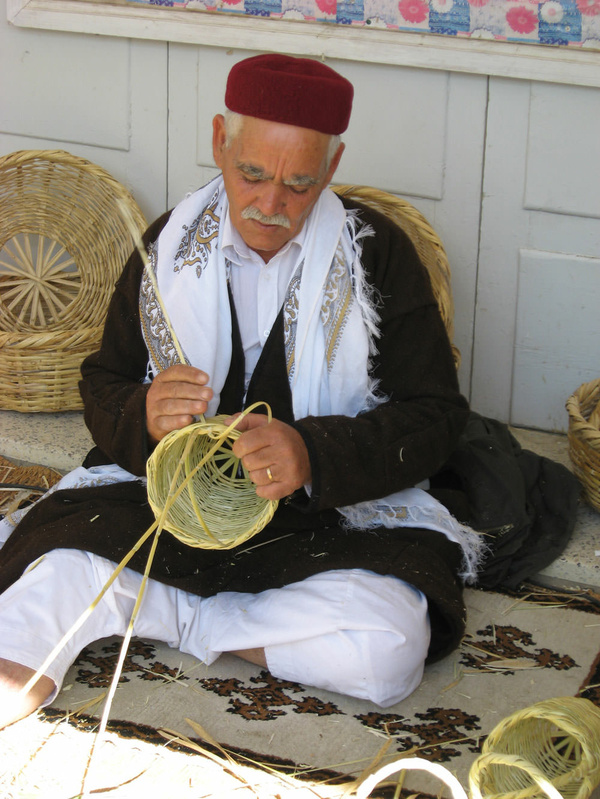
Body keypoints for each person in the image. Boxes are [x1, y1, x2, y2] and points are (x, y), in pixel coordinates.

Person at [0, 54, 574, 731]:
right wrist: (142, 412)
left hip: (321, 519)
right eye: (251, 174)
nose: (270, 205)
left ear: (330, 169)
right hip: (171, 509)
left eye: (299, 185)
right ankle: (198, 612)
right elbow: (104, 378)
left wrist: (312, 452)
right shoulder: (168, 245)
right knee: (46, 581)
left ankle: (163, 610)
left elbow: (436, 415)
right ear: (220, 142)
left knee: (389, 648)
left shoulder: (376, 253)